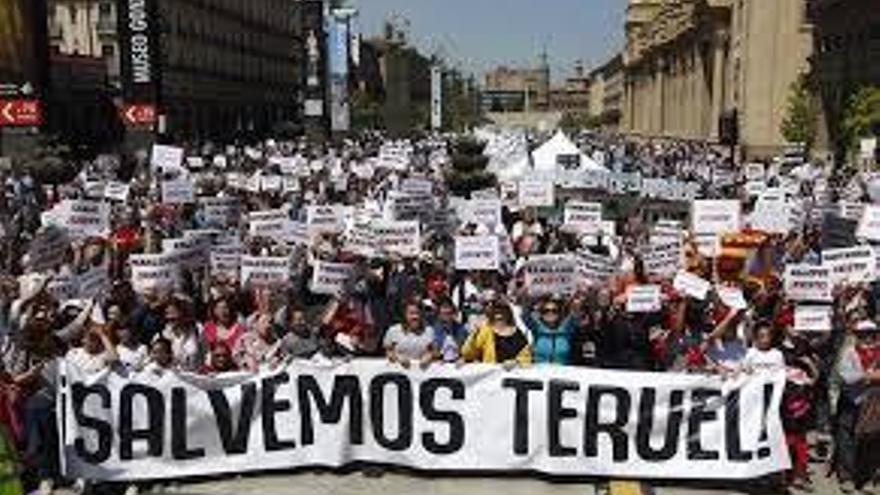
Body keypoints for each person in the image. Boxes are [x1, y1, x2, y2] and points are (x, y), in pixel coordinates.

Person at [460, 302, 531, 368]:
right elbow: (468, 353)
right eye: (496, 310)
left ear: (508, 313)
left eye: (502, 310)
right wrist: (474, 333)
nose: (499, 314)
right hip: (491, 377)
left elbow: (526, 355)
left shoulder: (517, 332)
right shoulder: (484, 331)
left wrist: (516, 362)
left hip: (513, 376)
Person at [522, 296, 579, 365]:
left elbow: (575, 313)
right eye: (546, 311)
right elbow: (525, 313)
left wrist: (564, 299)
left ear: (559, 313)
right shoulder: (536, 329)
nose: (550, 313)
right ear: (541, 313)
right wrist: (540, 297)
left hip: (564, 372)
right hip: (539, 372)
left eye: (554, 311)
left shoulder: (567, 329)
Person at [383, 301, 436, 369]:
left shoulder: (429, 331)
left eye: (417, 313)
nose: (415, 316)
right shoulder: (393, 330)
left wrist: (429, 356)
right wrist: (397, 357)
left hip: (422, 373)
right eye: (411, 313)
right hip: (398, 371)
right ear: (405, 314)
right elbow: (388, 351)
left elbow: (434, 351)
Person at [160, 296, 204, 373]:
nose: (170, 317)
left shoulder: (198, 329)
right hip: (174, 378)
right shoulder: (164, 334)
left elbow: (206, 354)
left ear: (183, 313)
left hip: (195, 376)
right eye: (167, 314)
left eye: (173, 313)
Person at [430, 298, 468, 363]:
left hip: (457, 366)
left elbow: (466, 350)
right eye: (444, 308)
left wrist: (463, 358)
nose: (447, 311)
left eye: (449, 307)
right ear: (439, 311)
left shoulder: (461, 329)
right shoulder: (433, 330)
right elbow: (431, 351)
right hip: (439, 366)